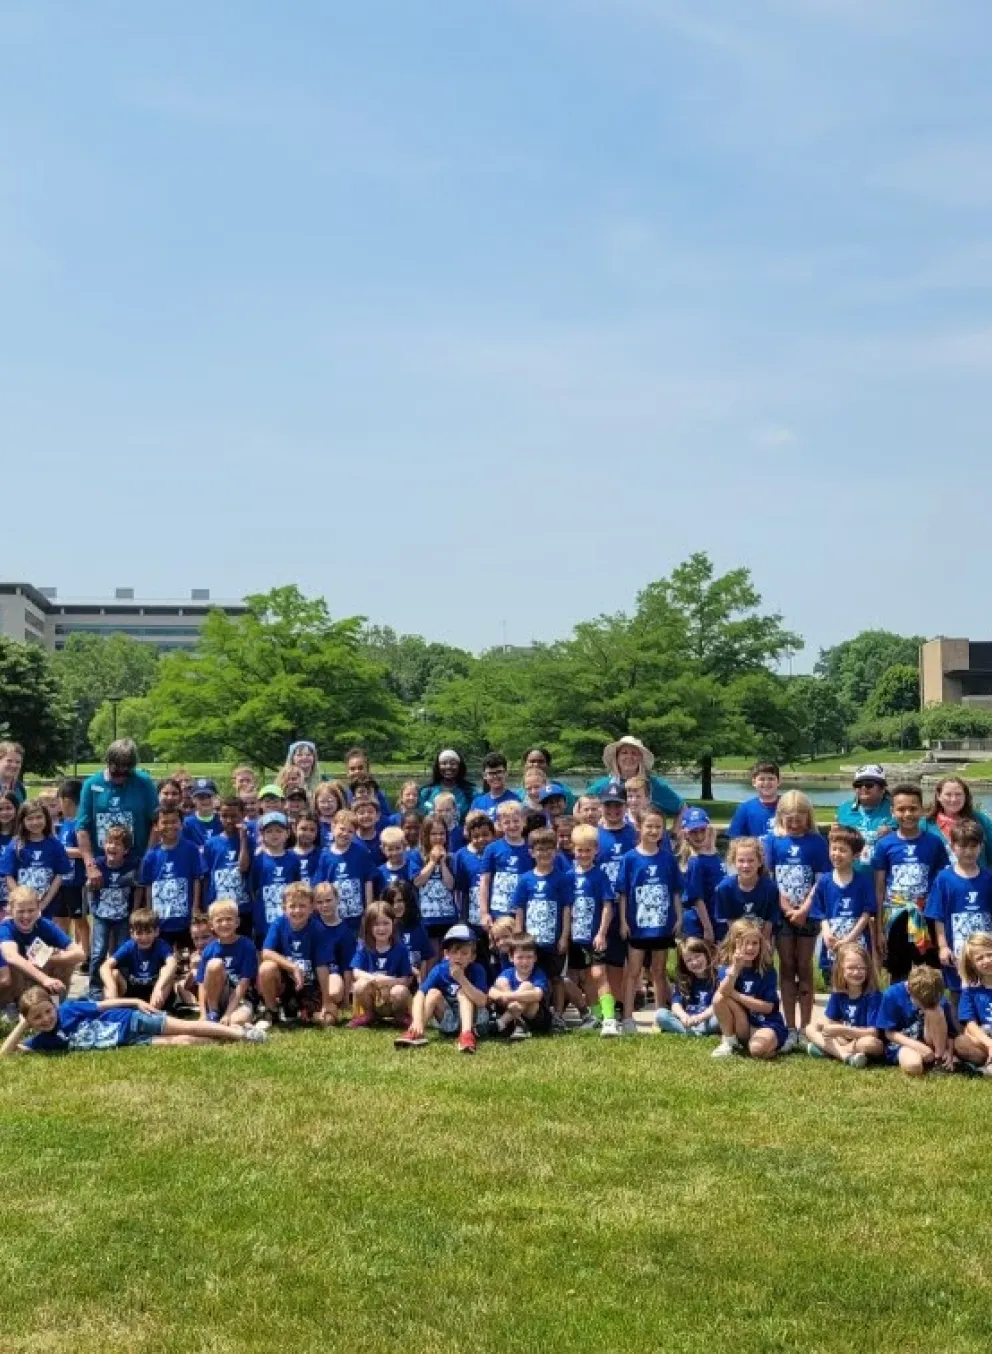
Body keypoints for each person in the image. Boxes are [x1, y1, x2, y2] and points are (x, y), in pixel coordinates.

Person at [2, 984, 269, 1054]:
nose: (46, 1018)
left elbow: (105, 1004)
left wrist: (134, 1001)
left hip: (130, 1020)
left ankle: (242, 1034)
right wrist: (24, 1023)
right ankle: (230, 1034)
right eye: (38, 1018)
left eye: (48, 1011)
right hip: (128, 1041)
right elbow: (6, 1054)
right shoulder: (43, 1041)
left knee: (185, 1025)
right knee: (184, 1042)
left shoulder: (70, 1009)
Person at [762, 791, 830, 1052]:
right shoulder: (773, 841)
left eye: (800, 818)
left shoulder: (816, 842)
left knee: (805, 967)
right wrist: (787, 906)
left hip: (808, 914)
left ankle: (806, 1027)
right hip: (782, 914)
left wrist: (804, 908)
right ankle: (789, 1027)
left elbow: (821, 878)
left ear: (808, 817)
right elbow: (769, 877)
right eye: (789, 819)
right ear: (781, 817)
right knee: (787, 967)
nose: (794, 823)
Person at [872, 782, 948, 982]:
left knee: (930, 974)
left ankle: (930, 1012)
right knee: (898, 974)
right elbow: (879, 889)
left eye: (913, 809)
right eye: (901, 809)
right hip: (896, 916)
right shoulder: (885, 845)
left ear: (922, 810)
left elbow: (941, 884)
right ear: (892, 811)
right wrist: (879, 929)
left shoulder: (934, 843)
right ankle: (900, 1012)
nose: (907, 814)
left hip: (926, 915)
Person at [617, 805, 683, 1033]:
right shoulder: (629, 859)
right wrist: (624, 921)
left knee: (659, 970)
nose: (654, 831)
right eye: (649, 826)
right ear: (639, 827)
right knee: (633, 971)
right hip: (637, 926)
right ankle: (627, 1017)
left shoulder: (667, 858)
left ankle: (660, 1015)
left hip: (662, 925)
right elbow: (623, 892)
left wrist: (679, 917)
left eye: (658, 827)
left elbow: (675, 890)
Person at [924, 820, 992, 1007]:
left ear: (981, 847)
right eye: (962, 846)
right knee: (958, 993)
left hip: (986, 951)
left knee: (986, 988)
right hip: (957, 951)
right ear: (952, 847)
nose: (968, 852)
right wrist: (943, 946)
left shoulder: (988, 878)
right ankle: (960, 1032)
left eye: (973, 846)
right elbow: (938, 915)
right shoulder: (944, 878)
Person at [394, 923, 490, 1052]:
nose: (459, 957)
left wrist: (462, 979)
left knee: (462, 992)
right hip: (448, 1019)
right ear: (446, 954)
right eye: (454, 952)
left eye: (464, 953)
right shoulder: (440, 970)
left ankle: (466, 1035)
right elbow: (420, 994)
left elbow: (482, 1001)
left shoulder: (477, 970)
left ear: (472, 957)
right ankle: (417, 1031)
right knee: (433, 992)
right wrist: (416, 1020)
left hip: (474, 1021)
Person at [77, 739, 160, 886]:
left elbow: (155, 823)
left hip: (136, 863)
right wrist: (90, 865)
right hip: (103, 866)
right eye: (116, 772)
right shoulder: (92, 784)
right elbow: (82, 828)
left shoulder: (144, 783)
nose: (120, 776)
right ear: (108, 762)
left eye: (126, 772)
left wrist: (147, 860)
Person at [512, 826, 573, 1018]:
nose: (544, 853)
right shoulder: (525, 880)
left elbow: (566, 908)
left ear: (555, 851)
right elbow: (520, 909)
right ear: (531, 852)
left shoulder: (562, 879)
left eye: (549, 849)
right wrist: (519, 935)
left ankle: (558, 1016)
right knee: (533, 977)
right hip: (532, 941)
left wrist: (564, 936)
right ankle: (536, 1013)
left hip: (554, 940)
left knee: (556, 978)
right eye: (540, 849)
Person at [258, 882, 336, 1026]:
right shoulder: (279, 924)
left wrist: (326, 1002)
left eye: (302, 905)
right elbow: (266, 952)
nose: (297, 910)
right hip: (286, 985)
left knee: (328, 1020)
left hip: (309, 986)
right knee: (266, 968)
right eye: (292, 906)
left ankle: (301, 1013)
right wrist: (293, 968)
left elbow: (322, 967)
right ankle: (272, 1011)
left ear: (311, 908)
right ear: (284, 908)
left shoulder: (318, 929)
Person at [711, 918, 788, 1060]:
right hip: (744, 1023)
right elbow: (721, 994)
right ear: (734, 944)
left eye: (755, 943)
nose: (751, 948)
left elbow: (768, 1008)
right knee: (718, 997)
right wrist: (735, 968)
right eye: (745, 943)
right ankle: (729, 1041)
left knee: (756, 1050)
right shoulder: (727, 968)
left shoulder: (767, 970)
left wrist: (735, 994)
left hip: (766, 1023)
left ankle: (773, 1043)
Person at [568, 823, 617, 1036]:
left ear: (596, 850)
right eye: (580, 850)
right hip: (574, 935)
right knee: (583, 978)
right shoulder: (569, 875)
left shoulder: (599, 875)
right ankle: (595, 1015)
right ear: (573, 849)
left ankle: (609, 1019)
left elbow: (607, 905)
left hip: (594, 935)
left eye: (588, 850)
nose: (584, 854)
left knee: (599, 975)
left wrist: (602, 933)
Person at [809, 826, 876, 981]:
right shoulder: (824, 882)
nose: (836, 854)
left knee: (858, 983)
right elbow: (820, 911)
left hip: (857, 941)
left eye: (843, 850)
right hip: (832, 943)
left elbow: (867, 913)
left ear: (856, 855)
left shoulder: (863, 882)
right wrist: (826, 933)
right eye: (834, 849)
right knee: (835, 982)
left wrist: (850, 938)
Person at [138, 805, 206, 952]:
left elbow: (196, 879)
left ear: (181, 824)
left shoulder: (191, 849)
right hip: (162, 921)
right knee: (165, 959)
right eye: (165, 822)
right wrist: (150, 912)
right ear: (156, 826)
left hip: (186, 919)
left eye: (174, 821)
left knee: (193, 957)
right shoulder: (151, 856)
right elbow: (148, 886)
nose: (170, 826)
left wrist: (195, 908)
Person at [805, 942, 883, 1068]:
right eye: (851, 968)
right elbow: (829, 1023)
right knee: (810, 1028)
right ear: (840, 969)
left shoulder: (873, 996)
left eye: (861, 968)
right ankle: (845, 1056)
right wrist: (829, 1028)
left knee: (868, 1043)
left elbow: (874, 1033)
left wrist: (842, 1029)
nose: (857, 972)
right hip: (844, 1038)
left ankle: (829, 1051)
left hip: (864, 1040)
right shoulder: (838, 994)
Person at [0, 885, 85, 1001]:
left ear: (38, 909)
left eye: (31, 910)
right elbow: (11, 956)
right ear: (10, 911)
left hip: (34, 971)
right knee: (13, 966)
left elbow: (80, 954)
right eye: (20, 911)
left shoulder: (44, 925)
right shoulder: (6, 928)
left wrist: (46, 958)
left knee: (66, 963)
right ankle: (12, 1006)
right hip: (10, 979)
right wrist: (44, 979)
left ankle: (54, 1003)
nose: (26, 916)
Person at [86, 824, 138, 1000]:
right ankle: (95, 987)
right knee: (98, 951)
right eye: (109, 842)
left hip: (123, 916)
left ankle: (121, 984)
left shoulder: (131, 866)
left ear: (126, 849)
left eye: (117, 844)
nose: (112, 847)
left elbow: (137, 889)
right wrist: (93, 908)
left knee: (122, 951)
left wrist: (135, 911)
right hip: (101, 915)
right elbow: (89, 887)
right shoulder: (98, 864)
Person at [877, 963, 956, 1076]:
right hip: (904, 1043)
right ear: (909, 990)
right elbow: (889, 1033)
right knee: (913, 1066)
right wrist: (917, 1046)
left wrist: (949, 1052)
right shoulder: (891, 995)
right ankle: (925, 1061)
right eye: (922, 1004)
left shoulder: (936, 997)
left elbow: (951, 1033)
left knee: (935, 1011)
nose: (925, 1007)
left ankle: (939, 1060)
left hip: (930, 1040)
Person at [1, 798, 72, 922]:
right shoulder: (15, 845)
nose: (35, 822)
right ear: (22, 821)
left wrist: (43, 903)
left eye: (39, 817)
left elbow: (59, 876)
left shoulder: (55, 845)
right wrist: (22, 901)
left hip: (46, 907)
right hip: (21, 909)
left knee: (43, 940)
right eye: (30, 818)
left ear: (46, 818)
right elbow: (8, 876)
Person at [348, 902, 414, 1029]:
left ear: (393, 924)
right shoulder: (364, 946)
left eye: (385, 923)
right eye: (376, 924)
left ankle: (400, 1016)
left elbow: (407, 980)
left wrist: (388, 981)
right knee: (359, 985)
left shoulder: (401, 949)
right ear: (368, 927)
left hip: (392, 994)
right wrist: (373, 979)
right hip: (373, 994)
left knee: (400, 991)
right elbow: (356, 972)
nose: (381, 928)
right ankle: (369, 1014)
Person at [587, 735, 683, 821]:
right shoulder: (604, 784)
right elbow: (581, 807)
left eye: (634, 753)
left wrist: (675, 832)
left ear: (640, 758)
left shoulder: (654, 784)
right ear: (616, 758)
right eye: (624, 753)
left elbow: (682, 807)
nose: (629, 756)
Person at [197, 899, 259, 1025]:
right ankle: (213, 1012)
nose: (224, 924)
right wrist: (202, 1014)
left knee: (237, 1021)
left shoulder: (247, 946)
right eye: (219, 920)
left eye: (229, 919)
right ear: (211, 925)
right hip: (217, 996)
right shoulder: (209, 950)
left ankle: (228, 1016)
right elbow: (202, 984)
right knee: (215, 964)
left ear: (237, 922)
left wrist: (228, 1014)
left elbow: (244, 983)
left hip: (240, 997)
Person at [100, 908, 176, 1007]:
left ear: (156, 932)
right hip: (133, 990)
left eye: (148, 932)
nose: (144, 938)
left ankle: (153, 1012)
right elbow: (104, 966)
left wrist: (158, 987)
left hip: (154, 991)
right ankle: (112, 1010)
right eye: (139, 933)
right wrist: (111, 987)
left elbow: (172, 963)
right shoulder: (129, 946)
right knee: (113, 974)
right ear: (132, 934)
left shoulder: (161, 945)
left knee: (167, 972)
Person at [317, 809, 374, 933]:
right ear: (333, 827)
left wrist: (369, 909)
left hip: (357, 917)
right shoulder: (325, 855)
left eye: (350, 831)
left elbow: (368, 881)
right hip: (334, 917)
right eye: (342, 829)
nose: (345, 834)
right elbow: (322, 885)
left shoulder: (361, 852)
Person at [478, 800, 533, 930]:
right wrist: (484, 913)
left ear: (523, 821)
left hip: (523, 911)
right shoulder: (492, 848)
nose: (512, 825)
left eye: (516, 821)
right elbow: (484, 881)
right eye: (507, 822)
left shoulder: (531, 848)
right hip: (499, 911)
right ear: (500, 825)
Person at [713, 838, 780, 943]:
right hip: (735, 941)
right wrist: (741, 945)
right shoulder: (724, 889)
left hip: (761, 940)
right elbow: (729, 923)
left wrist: (763, 946)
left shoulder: (770, 888)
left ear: (759, 862)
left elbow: (769, 922)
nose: (746, 865)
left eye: (751, 860)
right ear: (733, 862)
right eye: (741, 860)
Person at [249, 811, 301, 942]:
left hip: (289, 920)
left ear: (287, 833)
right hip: (264, 922)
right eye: (269, 831)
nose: (274, 835)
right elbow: (253, 889)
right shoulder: (258, 859)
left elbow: (297, 886)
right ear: (262, 834)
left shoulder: (293, 859)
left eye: (279, 831)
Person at [488, 933, 554, 1039]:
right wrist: (511, 1004)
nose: (525, 961)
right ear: (511, 957)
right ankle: (518, 1023)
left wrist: (509, 996)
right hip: (512, 1018)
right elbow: (491, 991)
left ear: (535, 958)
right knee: (501, 983)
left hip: (535, 1018)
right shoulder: (507, 973)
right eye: (520, 957)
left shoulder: (538, 973)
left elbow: (537, 995)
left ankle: (501, 1023)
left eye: (529, 957)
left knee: (527, 986)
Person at [203, 798, 251, 930]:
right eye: (225, 816)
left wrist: (243, 840)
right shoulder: (211, 843)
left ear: (243, 815)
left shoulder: (248, 841)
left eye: (234, 816)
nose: (229, 820)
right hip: (219, 906)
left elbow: (243, 867)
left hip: (243, 907)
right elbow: (206, 876)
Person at [656, 938, 720, 1037]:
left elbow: (717, 1005)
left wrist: (700, 1017)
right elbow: (675, 1005)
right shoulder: (684, 980)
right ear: (684, 964)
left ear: (706, 955)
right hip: (687, 1021)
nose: (694, 962)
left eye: (697, 956)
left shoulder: (718, 977)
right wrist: (683, 1016)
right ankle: (697, 1033)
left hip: (708, 1019)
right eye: (688, 960)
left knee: (721, 1017)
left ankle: (690, 1032)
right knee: (661, 1014)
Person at [924, 776, 992, 867]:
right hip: (941, 880)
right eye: (948, 794)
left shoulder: (981, 820)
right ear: (938, 796)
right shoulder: (925, 824)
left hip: (978, 879)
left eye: (958, 794)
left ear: (965, 796)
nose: (954, 799)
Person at [835, 765, 895, 864]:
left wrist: (893, 833)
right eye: (858, 785)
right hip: (851, 874)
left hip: (882, 873)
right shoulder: (844, 809)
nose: (863, 788)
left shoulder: (895, 808)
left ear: (882, 788)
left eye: (869, 785)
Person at [311, 882, 353, 1022]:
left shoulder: (345, 931)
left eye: (328, 900)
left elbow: (347, 968)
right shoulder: (311, 924)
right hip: (311, 973)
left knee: (334, 991)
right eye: (320, 902)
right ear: (315, 905)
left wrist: (347, 997)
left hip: (333, 974)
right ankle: (315, 1011)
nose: (324, 905)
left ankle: (316, 1013)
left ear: (337, 899)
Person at [413, 814, 460, 941]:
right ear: (425, 836)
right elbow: (417, 881)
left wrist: (443, 863)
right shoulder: (416, 856)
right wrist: (432, 862)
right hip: (426, 916)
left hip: (448, 916)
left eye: (442, 834)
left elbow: (450, 885)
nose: (438, 838)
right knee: (432, 955)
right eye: (433, 834)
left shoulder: (451, 858)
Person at [679, 807, 721, 943]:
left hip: (716, 917)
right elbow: (697, 899)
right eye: (693, 832)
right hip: (700, 922)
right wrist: (707, 928)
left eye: (702, 830)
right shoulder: (695, 862)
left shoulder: (714, 855)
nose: (699, 836)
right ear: (686, 834)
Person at [57, 778, 88, 957]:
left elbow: (85, 850)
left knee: (79, 920)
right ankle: (65, 950)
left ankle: (85, 954)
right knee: (62, 918)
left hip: (77, 881)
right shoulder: (65, 824)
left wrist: (64, 851)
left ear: (66, 800)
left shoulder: (80, 824)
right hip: (63, 882)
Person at [953, 931, 992, 1073]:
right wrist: (989, 1043)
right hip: (986, 1038)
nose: (987, 960)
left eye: (989, 954)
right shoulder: (970, 990)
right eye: (980, 958)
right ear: (972, 964)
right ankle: (985, 1064)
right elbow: (970, 1023)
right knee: (962, 1041)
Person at [380, 880, 431, 978]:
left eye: (400, 901)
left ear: (408, 901)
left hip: (414, 982)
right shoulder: (381, 929)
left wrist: (422, 987)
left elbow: (425, 958)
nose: (395, 906)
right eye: (391, 902)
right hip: (389, 979)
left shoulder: (418, 927)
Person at [728, 762, 781, 839]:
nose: (766, 783)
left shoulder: (789, 805)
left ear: (778, 781)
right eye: (762, 779)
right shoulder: (745, 809)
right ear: (754, 782)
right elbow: (735, 839)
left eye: (771, 779)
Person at [417, 750, 475, 819]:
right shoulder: (426, 792)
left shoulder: (471, 793)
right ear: (438, 767)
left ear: (460, 767)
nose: (448, 766)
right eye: (444, 763)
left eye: (453, 763)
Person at [344, 746, 391, 819]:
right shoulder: (344, 795)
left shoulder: (378, 794)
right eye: (352, 769)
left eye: (360, 768)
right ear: (347, 772)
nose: (357, 772)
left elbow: (387, 817)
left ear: (368, 770)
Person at [470, 753, 521, 821]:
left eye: (499, 772)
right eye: (491, 773)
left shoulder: (515, 800)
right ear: (484, 776)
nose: (495, 776)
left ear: (506, 773)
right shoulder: (477, 803)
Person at [374, 826, 417, 895]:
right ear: (383, 850)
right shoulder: (379, 872)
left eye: (398, 848)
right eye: (390, 849)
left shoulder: (411, 868)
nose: (394, 853)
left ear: (404, 847)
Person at [181, 779, 222, 848]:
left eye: (209, 796)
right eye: (201, 797)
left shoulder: (221, 820)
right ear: (193, 799)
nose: (205, 800)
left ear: (215, 797)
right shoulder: (187, 823)